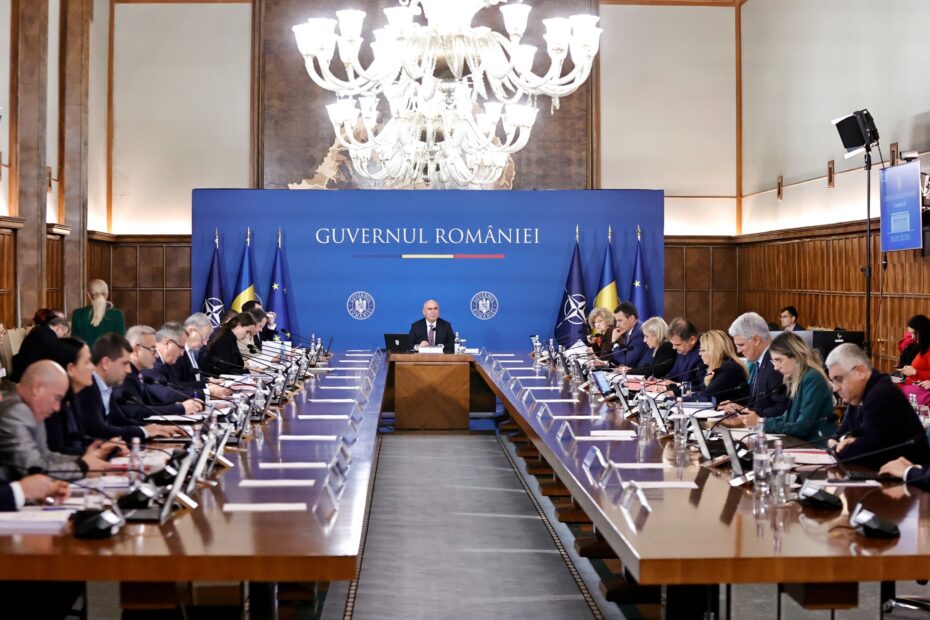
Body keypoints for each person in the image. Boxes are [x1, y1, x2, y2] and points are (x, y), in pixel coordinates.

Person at [0, 360, 122, 480]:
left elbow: (46, 456)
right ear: (37, 387)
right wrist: (83, 466)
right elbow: (34, 469)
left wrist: (87, 459)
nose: (57, 408)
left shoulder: (31, 407)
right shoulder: (16, 411)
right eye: (57, 398)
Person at [826, 343, 930, 471]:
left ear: (860, 372)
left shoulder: (882, 394)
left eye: (839, 379)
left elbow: (864, 452)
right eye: (833, 381)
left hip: (909, 480)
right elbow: (839, 435)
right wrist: (843, 441)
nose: (835, 388)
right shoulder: (860, 393)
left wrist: (837, 447)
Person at [725, 332, 836, 445]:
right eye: (774, 361)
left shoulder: (812, 378)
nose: (776, 368)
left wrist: (760, 423)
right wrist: (753, 420)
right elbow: (786, 418)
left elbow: (803, 427)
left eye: (779, 360)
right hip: (800, 443)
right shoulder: (798, 378)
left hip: (817, 446)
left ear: (796, 356)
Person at [76, 333, 177, 442]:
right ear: (106, 363)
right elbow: (99, 431)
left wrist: (156, 428)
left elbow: (121, 421)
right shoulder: (87, 389)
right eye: (124, 364)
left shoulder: (105, 386)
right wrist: (144, 431)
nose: (128, 370)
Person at [115, 325, 202, 422]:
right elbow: (135, 411)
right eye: (152, 349)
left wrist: (178, 406)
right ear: (136, 350)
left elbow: (148, 405)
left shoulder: (136, 373)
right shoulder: (123, 375)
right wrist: (179, 408)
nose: (156, 355)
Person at [722, 312, 790, 418]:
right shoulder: (760, 361)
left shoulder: (775, 365)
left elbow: (782, 409)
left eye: (741, 345)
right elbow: (758, 401)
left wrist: (748, 412)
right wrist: (738, 408)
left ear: (756, 340)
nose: (738, 351)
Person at [44, 337, 94, 455]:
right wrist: (96, 451)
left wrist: (103, 447)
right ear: (70, 369)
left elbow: (79, 440)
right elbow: (58, 453)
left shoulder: (73, 398)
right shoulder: (52, 408)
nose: (93, 367)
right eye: (87, 362)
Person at [9, 309, 69, 383]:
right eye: (64, 333)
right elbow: (56, 357)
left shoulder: (41, 330)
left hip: (24, 372)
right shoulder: (48, 334)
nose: (63, 336)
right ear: (59, 328)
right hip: (28, 377)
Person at [690, 330, 749, 403]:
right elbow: (701, 388)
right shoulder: (719, 367)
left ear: (714, 351)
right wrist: (679, 392)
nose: (699, 354)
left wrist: (679, 398)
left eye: (703, 350)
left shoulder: (730, 370)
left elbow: (706, 395)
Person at [70, 279, 125, 348]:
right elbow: (120, 343)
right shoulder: (117, 314)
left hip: (85, 354)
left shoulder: (77, 313)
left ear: (88, 294)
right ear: (107, 295)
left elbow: (74, 343)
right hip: (109, 354)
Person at [662, 317, 706, 395]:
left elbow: (702, 388)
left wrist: (678, 386)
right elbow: (674, 373)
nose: (674, 348)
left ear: (692, 340)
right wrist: (662, 381)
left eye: (677, 344)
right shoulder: (684, 350)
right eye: (673, 344)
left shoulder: (703, 353)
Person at [898, 314, 930, 406]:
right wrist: (909, 370)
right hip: (912, 389)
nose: (912, 337)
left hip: (919, 393)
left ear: (922, 332)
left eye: (913, 333)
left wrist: (915, 372)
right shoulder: (924, 348)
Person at [610, 302, 648, 368]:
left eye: (620, 321)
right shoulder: (627, 331)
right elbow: (621, 357)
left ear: (632, 318)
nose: (617, 325)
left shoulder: (639, 333)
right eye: (616, 321)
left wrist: (614, 342)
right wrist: (605, 363)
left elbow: (626, 362)